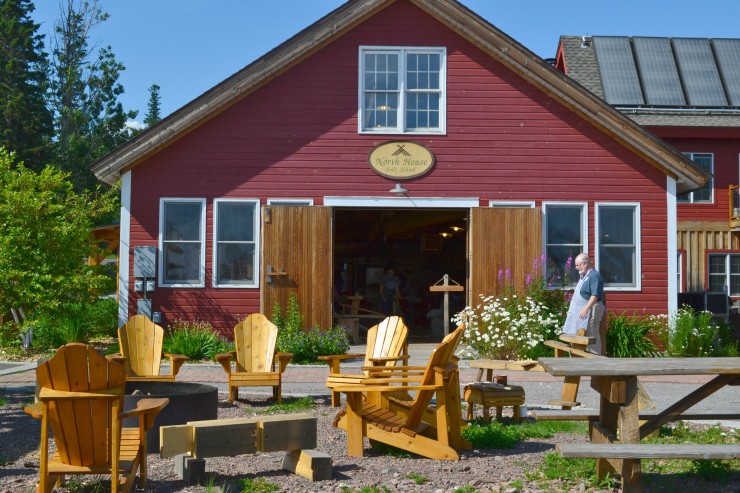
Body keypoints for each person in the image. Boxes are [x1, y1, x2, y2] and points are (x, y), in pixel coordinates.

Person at [562, 253, 607, 354]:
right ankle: (582, 360)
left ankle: (595, 361)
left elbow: (595, 295)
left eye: (578, 265)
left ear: (584, 264)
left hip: (592, 310)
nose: (576, 268)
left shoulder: (594, 276)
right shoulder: (584, 276)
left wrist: (586, 308)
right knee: (581, 337)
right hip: (582, 312)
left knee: (592, 336)